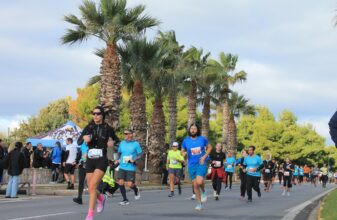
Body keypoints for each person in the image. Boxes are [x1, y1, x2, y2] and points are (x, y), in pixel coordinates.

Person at [78, 106, 119, 220]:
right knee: (91, 188)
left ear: (102, 115)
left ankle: (90, 215)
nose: (95, 116)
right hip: (90, 160)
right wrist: (84, 139)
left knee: (92, 186)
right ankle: (101, 198)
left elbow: (117, 141)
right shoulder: (89, 127)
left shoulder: (108, 128)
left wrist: (112, 142)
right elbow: (79, 141)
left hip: (101, 159)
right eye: (93, 113)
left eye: (98, 113)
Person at [181, 123, 212, 211]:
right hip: (191, 165)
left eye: (195, 128)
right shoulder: (186, 140)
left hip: (201, 163)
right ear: (189, 130)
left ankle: (204, 191)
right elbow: (182, 150)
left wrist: (204, 156)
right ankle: (199, 204)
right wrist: (184, 154)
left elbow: (209, 147)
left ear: (197, 130)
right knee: (195, 185)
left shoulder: (202, 139)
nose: (193, 130)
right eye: (191, 129)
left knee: (199, 181)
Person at [116, 129, 142, 206]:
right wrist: (117, 159)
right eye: (125, 134)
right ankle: (125, 200)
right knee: (120, 182)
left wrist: (134, 159)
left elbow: (140, 154)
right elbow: (119, 152)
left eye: (127, 134)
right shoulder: (122, 143)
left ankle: (136, 189)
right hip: (122, 166)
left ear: (131, 134)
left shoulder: (136, 144)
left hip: (130, 167)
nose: (126, 135)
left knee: (130, 184)